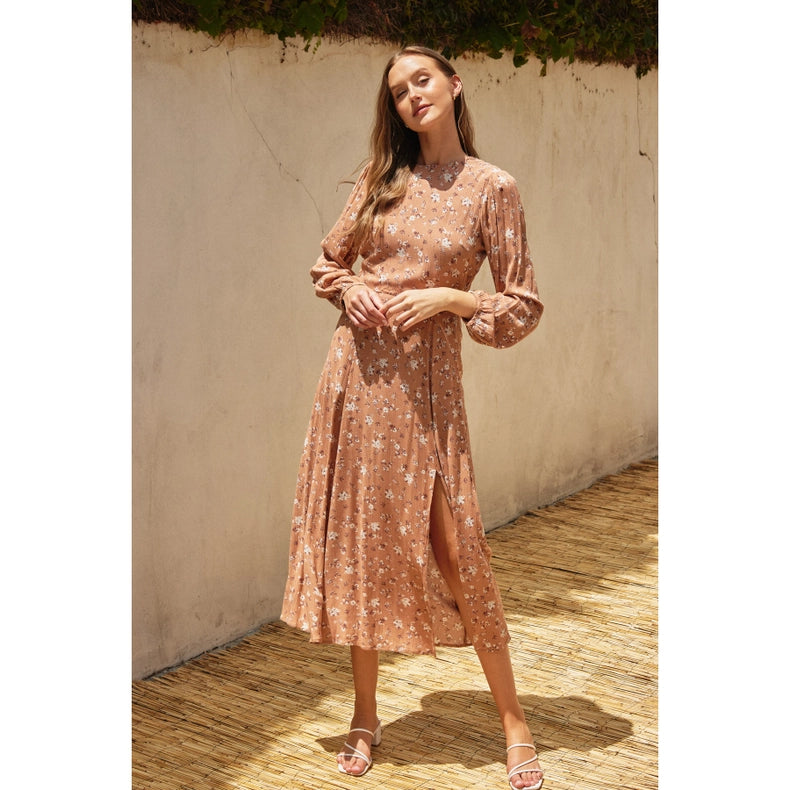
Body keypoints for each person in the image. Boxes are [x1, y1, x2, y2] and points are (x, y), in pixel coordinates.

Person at [281, 45, 545, 790]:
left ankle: (514, 722)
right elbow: (328, 263)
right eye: (398, 91)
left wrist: (453, 299)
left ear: (454, 86)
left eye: (422, 80)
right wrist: (350, 291)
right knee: (363, 547)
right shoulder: (381, 179)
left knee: (459, 552)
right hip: (357, 381)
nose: (411, 96)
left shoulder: (493, 188)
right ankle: (365, 716)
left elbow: (521, 307)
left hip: (429, 393)